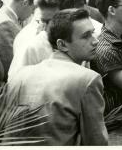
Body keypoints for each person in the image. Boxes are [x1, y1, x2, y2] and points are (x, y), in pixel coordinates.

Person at [8, 9, 108, 145]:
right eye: (86, 36)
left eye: (93, 33)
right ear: (62, 44)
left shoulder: (21, 75)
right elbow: (96, 141)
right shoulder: (87, 79)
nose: (95, 41)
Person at [8, 0, 75, 79]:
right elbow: (15, 82)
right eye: (44, 21)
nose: (46, 28)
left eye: (53, 22)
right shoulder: (30, 43)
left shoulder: (78, 38)